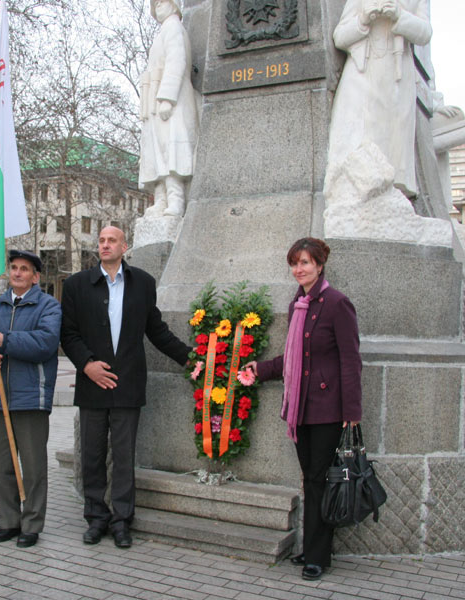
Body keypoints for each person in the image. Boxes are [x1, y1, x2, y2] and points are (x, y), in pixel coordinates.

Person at [60, 226, 191, 548]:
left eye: (111, 240)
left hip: (127, 384)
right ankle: (96, 518)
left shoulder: (143, 284)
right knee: (91, 455)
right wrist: (87, 365)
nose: (105, 245)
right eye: (101, 240)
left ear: (125, 246)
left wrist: (190, 358)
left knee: (123, 457)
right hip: (93, 383)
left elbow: (156, 330)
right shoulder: (77, 285)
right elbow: (68, 332)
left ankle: (121, 521)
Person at [241, 237, 362, 581]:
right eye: (295, 263)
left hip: (327, 409)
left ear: (320, 265)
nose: (299, 269)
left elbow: (351, 361)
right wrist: (260, 369)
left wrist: (352, 411)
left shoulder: (337, 304)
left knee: (320, 480)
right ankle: (311, 549)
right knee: (311, 479)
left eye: (305, 262)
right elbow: (293, 358)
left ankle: (318, 557)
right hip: (301, 408)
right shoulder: (300, 303)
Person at [0, 250, 61, 549]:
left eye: (24, 269)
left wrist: (4, 341)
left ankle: (32, 524)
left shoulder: (48, 306)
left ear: (35, 277)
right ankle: (8, 521)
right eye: (14, 268)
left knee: (33, 467)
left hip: (31, 398)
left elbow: (45, 343)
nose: (18, 273)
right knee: (0, 467)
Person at [326, 0, 431, 196]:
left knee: (392, 150)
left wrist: (399, 15)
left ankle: (389, 197)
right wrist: (363, 19)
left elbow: (425, 33)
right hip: (363, 73)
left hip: (396, 78)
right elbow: (340, 37)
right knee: (355, 140)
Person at [138, 0, 198, 218]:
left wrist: (167, 98)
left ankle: (176, 199)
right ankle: (161, 198)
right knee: (158, 152)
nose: (157, 8)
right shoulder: (163, 30)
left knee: (172, 152)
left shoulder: (173, 26)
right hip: (155, 100)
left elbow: (176, 61)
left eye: (162, 2)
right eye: (155, 5)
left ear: (174, 5)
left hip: (169, 99)